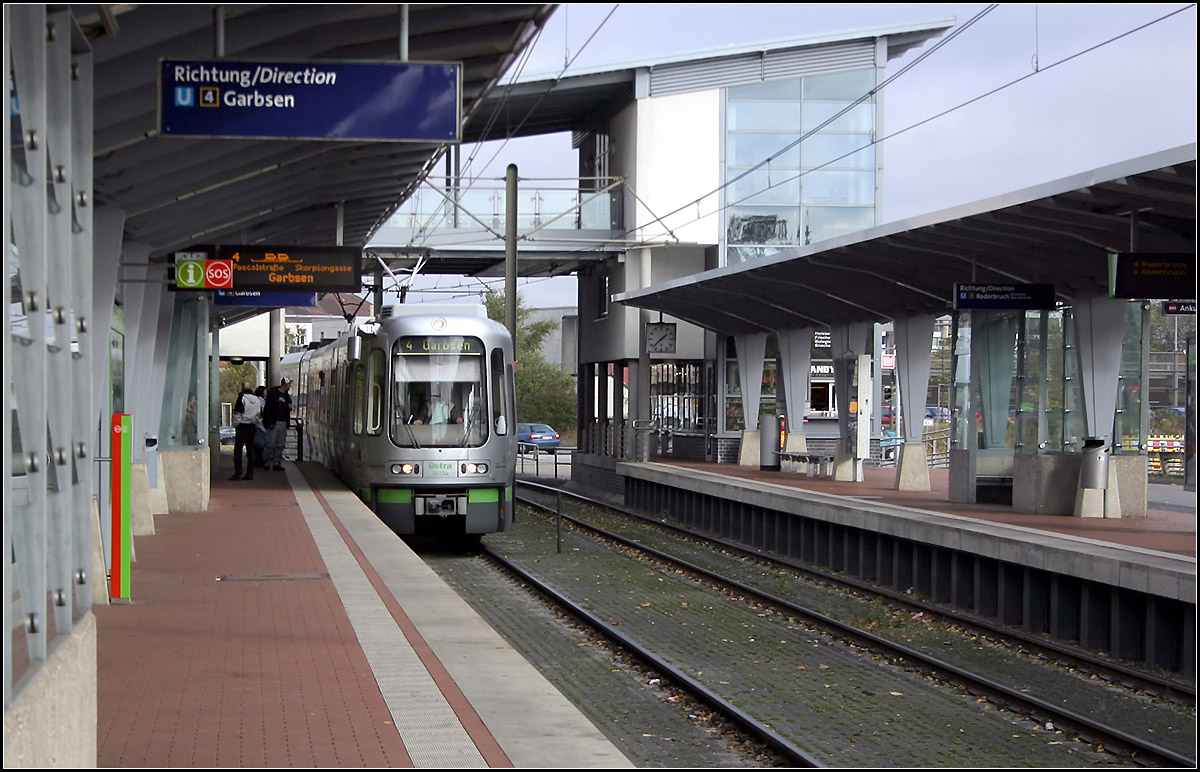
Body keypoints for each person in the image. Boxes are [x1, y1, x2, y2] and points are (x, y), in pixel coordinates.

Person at [229, 382, 261, 481]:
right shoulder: (257, 400)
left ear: (242, 388)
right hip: (252, 425)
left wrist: (236, 424)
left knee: (238, 450)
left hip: (242, 425)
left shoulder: (242, 398)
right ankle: (250, 473)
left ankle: (238, 473)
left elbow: (237, 413)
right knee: (251, 450)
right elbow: (258, 414)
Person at [263, 377, 293, 471]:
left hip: (283, 422)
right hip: (274, 423)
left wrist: (289, 407)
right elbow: (268, 408)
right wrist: (269, 421)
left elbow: (289, 406)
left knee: (280, 444)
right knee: (270, 443)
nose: (290, 386)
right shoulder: (273, 393)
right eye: (289, 384)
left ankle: (277, 462)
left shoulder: (286, 395)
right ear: (285, 384)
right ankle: (267, 461)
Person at [252, 385, 268, 469]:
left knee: (256, 444)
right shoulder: (261, 401)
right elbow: (264, 410)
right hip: (260, 424)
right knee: (261, 443)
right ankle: (260, 460)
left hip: (255, 423)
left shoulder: (255, 399)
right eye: (265, 391)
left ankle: (256, 460)